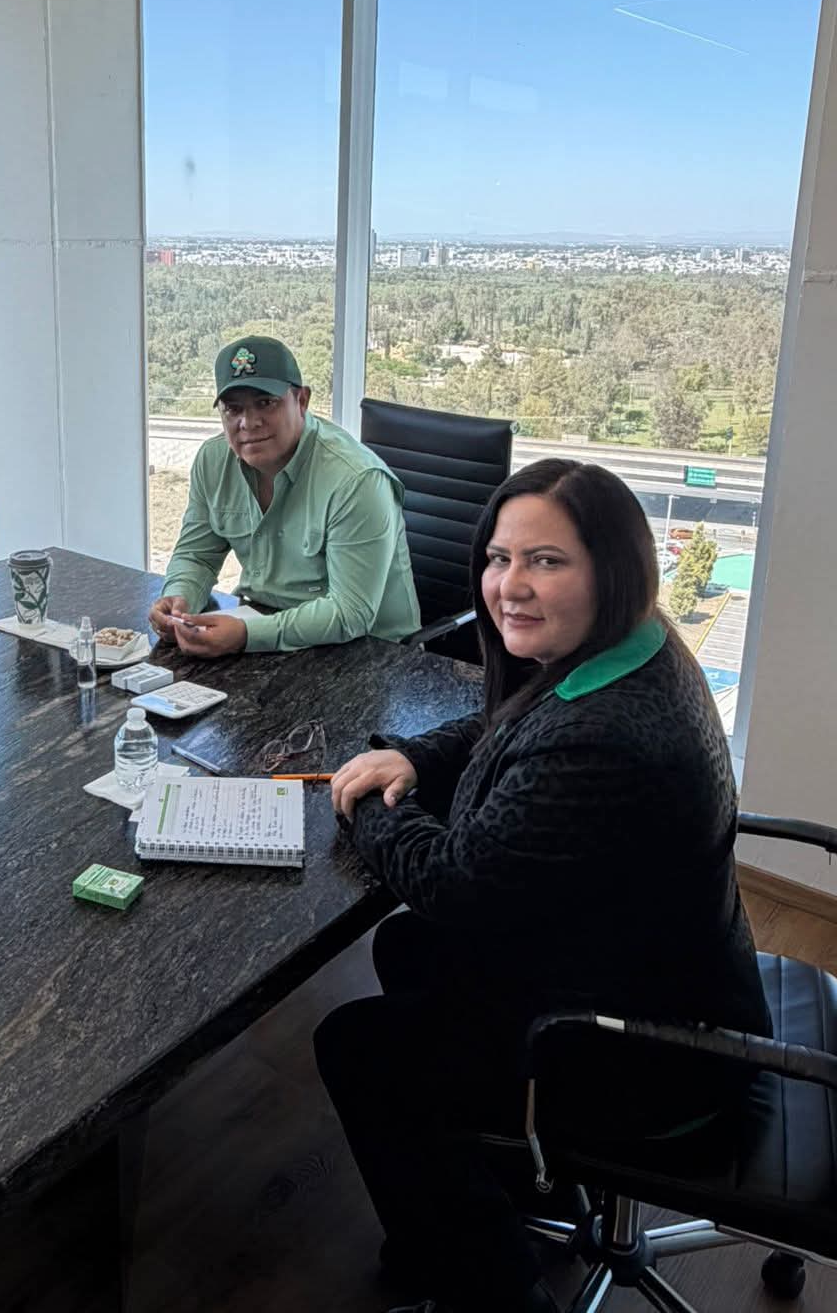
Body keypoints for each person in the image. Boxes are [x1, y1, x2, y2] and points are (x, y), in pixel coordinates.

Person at [315, 459, 770, 1313]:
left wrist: (369, 803)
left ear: (611, 568)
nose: (510, 585)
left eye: (546, 561)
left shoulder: (604, 739)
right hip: (674, 978)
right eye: (499, 558)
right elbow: (511, 721)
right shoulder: (633, 646)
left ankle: (491, 1285)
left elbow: (454, 885)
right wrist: (412, 758)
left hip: (653, 1056)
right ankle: (511, 1186)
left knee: (359, 1047)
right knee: (407, 945)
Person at [149, 335, 419, 655]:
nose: (248, 422)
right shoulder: (213, 461)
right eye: (233, 409)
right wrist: (179, 600)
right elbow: (197, 556)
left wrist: (247, 635)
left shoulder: (356, 480)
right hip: (264, 628)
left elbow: (351, 612)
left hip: (371, 653)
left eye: (266, 403)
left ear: (301, 400)